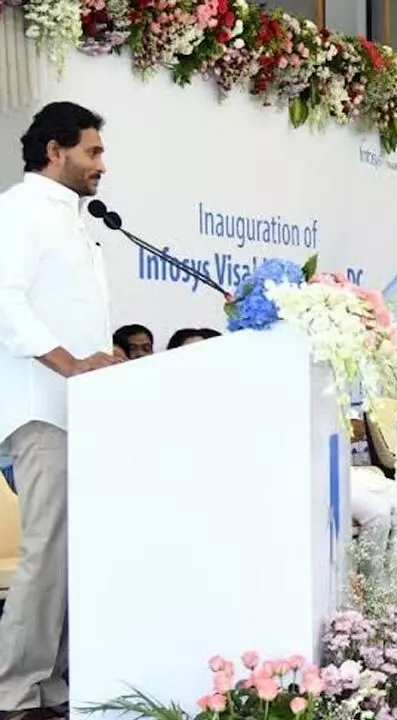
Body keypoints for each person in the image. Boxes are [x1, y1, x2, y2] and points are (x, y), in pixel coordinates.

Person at [0, 101, 123, 719]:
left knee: (77, 554)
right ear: (56, 151)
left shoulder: (78, 219)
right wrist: (70, 363)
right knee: (47, 552)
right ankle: (13, 691)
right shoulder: (19, 209)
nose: (101, 164)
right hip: (42, 407)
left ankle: (55, 686)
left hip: (84, 412)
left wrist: (99, 364)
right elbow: (6, 301)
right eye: (92, 151)